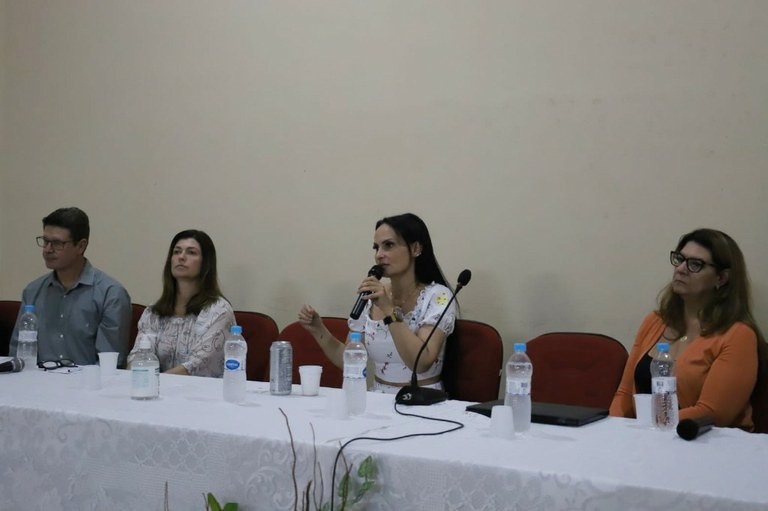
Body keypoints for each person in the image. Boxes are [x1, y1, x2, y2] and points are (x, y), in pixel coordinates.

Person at [609, 228, 765, 430]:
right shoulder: (655, 321)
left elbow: (713, 413)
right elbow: (624, 394)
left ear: (721, 278)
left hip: (702, 440)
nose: (681, 269)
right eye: (680, 259)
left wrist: (649, 428)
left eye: (695, 264)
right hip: (646, 436)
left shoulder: (738, 335)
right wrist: (613, 430)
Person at [298, 213, 457, 393]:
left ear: (415, 248)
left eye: (388, 245)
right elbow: (349, 360)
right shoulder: (373, 296)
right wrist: (319, 330)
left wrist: (388, 309)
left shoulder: (438, 296)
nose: (379, 255)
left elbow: (421, 362)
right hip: (378, 398)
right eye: (376, 248)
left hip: (422, 399)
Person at [9, 207, 132, 366]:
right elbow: (18, 355)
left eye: (57, 243)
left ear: (81, 246)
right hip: (38, 379)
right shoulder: (32, 291)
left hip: (88, 380)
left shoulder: (111, 294)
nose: (48, 249)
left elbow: (109, 364)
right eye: (45, 241)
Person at [130, 229, 235, 377]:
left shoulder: (219, 311)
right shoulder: (153, 312)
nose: (181, 257)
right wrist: (135, 378)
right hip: (154, 386)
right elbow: (138, 355)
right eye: (177, 252)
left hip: (200, 390)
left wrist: (155, 382)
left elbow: (197, 365)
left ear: (205, 263)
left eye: (191, 252)